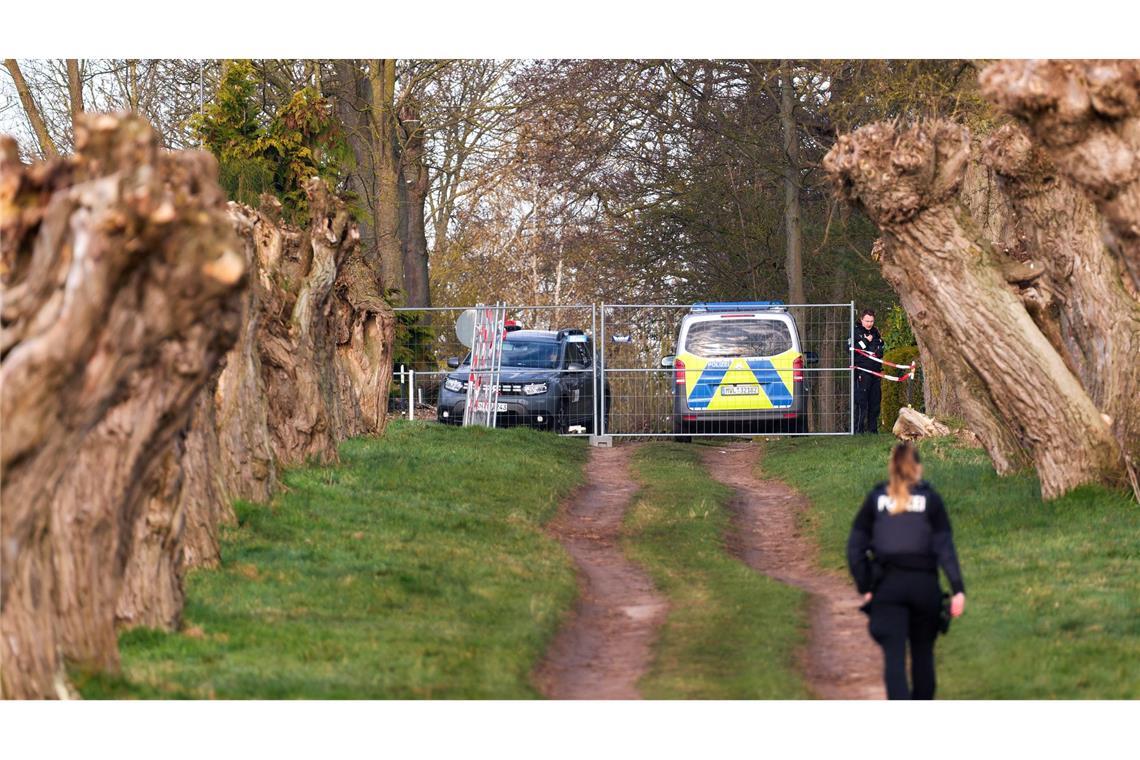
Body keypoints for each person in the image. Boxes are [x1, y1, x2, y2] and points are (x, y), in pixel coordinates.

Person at [846, 442, 966, 699]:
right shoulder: (931, 500)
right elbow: (945, 548)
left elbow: (855, 549)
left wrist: (866, 586)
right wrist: (958, 590)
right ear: (918, 469)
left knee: (894, 660)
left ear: (892, 468)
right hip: (925, 589)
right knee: (923, 655)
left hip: (888, 588)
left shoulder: (876, 499)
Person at [852, 309, 885, 433]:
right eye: (867, 321)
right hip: (862, 372)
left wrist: (879, 350)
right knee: (861, 402)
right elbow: (852, 349)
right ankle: (858, 430)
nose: (869, 324)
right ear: (861, 320)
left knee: (875, 402)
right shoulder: (856, 332)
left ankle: (873, 430)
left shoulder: (876, 331)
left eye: (871, 321)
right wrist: (866, 341)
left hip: (875, 371)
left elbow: (880, 345)